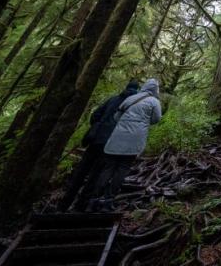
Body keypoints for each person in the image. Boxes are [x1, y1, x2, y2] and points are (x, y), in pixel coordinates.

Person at [58, 79, 139, 211]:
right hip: (110, 144)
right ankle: (80, 207)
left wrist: (97, 127)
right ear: (137, 91)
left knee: (81, 172)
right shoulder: (132, 106)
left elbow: (95, 114)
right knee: (95, 175)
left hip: (95, 140)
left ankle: (63, 205)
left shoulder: (113, 99)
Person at [88, 78, 162, 212]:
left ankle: (94, 199)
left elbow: (117, 116)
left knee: (108, 167)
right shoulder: (154, 101)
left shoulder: (131, 98)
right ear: (156, 89)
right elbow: (156, 119)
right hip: (134, 139)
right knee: (123, 168)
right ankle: (108, 200)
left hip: (117, 136)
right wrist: (142, 122)